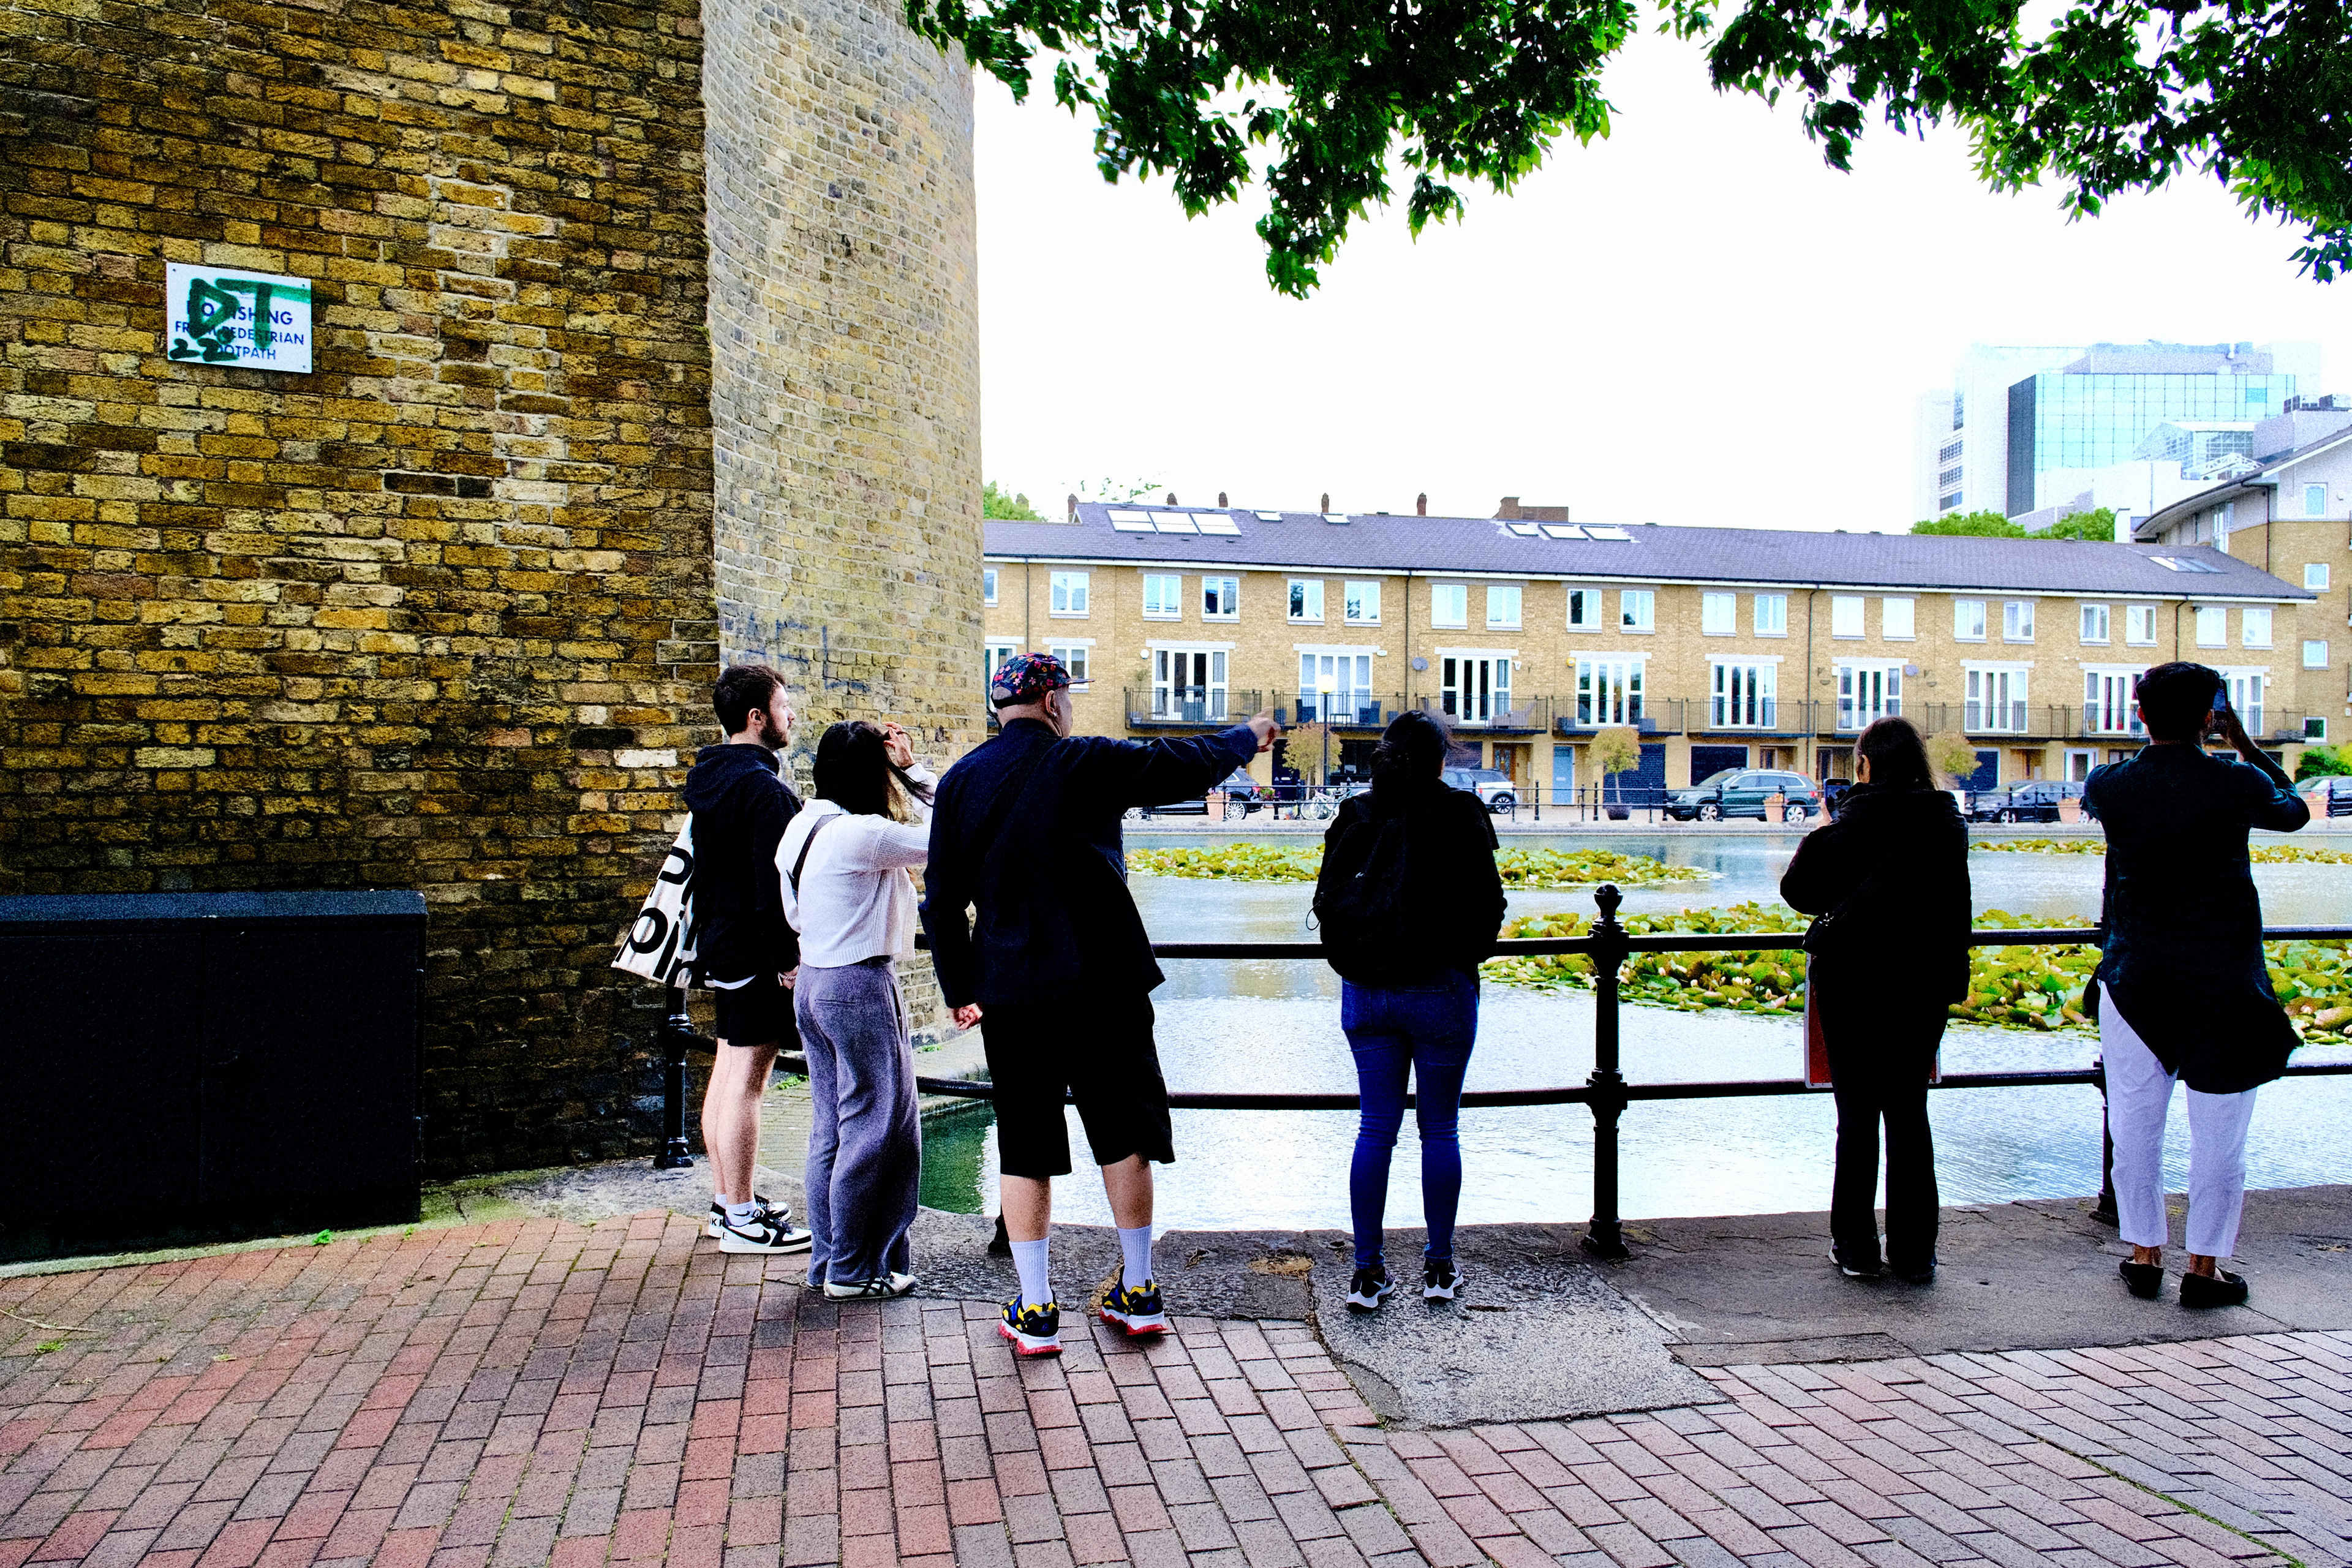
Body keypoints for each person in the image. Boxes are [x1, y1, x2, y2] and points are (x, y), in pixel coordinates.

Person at [923, 652, 1278, 1356]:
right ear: (1053, 701)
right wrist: (1247, 736)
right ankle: (1139, 1290)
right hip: (1105, 981)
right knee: (1124, 1131)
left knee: (1025, 1141)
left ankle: (1035, 1308)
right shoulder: (1082, 760)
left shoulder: (962, 780)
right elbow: (1181, 764)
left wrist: (961, 990)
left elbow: (941, 903)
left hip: (1015, 991)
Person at [2084, 662, 2309, 1308]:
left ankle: (2144, 1255)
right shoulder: (2235, 782)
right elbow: (2294, 812)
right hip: (2223, 983)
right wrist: (2246, 746)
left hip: (2135, 977)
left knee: (2134, 1125)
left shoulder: (2109, 785)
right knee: (2220, 1137)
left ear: (2140, 714)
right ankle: (2204, 1269)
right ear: (2211, 716)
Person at [1313, 711, 1506, 1311]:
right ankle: (1439, 1267)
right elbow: (1489, 906)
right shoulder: (1460, 812)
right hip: (1440, 990)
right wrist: (1459, 957)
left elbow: (1327, 898)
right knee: (1439, 1129)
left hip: (1366, 989)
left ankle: (1367, 1272)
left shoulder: (1354, 813)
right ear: (1440, 760)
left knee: (1375, 1129)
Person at [1780, 715, 1970, 1284]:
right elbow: (1956, 908)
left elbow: (1799, 892)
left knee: (1857, 1115)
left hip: (1854, 982)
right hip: (1923, 982)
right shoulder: (1947, 823)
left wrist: (1827, 826)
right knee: (1910, 1112)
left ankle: (1856, 1247)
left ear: (1864, 764)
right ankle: (1915, 1252)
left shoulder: (1853, 822)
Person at [777, 720, 936, 1300]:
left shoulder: (802, 825)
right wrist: (913, 770)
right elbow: (957, 830)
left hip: (813, 982)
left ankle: (830, 1262)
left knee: (831, 1129)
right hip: (859, 984)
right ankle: (854, 1270)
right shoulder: (863, 834)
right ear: (875, 773)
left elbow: (794, 913)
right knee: (880, 1131)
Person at [681, 663, 815, 1255]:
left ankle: (725, 1203)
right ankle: (740, 1217)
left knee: (728, 1070)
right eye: (784, 706)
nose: (791, 716)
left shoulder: (710, 778)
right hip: (756, 952)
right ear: (758, 717)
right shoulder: (765, 792)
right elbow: (774, 889)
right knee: (748, 1083)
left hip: (723, 942)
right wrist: (788, 959)